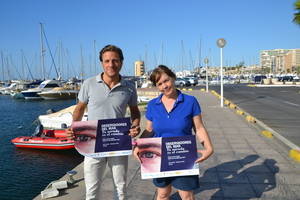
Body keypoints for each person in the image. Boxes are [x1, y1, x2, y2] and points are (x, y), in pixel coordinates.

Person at [66, 44, 141, 200]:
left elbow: (135, 111)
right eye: (107, 61)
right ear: (101, 63)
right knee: (92, 190)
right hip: (93, 145)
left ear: (121, 62)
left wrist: (135, 126)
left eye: (115, 60)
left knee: (120, 189)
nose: (111, 65)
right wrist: (74, 127)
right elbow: (79, 109)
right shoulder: (89, 84)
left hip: (118, 144)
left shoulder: (129, 87)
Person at [133, 65, 213, 200]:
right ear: (156, 86)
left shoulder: (190, 101)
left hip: (183, 156)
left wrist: (209, 148)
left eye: (166, 80)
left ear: (173, 78)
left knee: (186, 195)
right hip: (160, 156)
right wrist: (138, 146)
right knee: (163, 194)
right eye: (159, 84)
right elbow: (149, 130)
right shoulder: (153, 104)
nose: (164, 86)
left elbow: (199, 128)